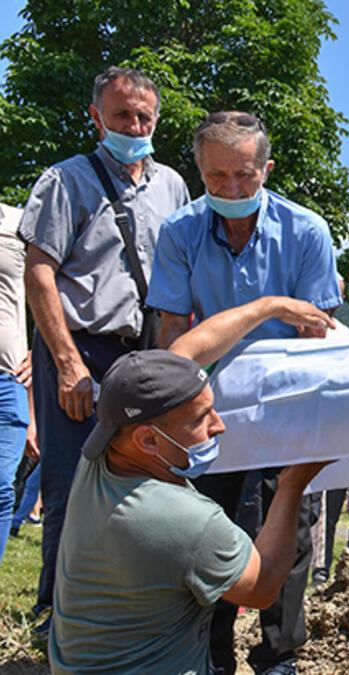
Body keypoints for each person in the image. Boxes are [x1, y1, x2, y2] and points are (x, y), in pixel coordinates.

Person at [147, 110, 342, 675]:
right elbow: (172, 332)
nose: (231, 190)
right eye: (216, 179)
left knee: (290, 528)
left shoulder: (306, 232)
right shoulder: (180, 232)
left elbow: (318, 332)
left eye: (245, 176)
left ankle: (279, 654)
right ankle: (209, 653)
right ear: (200, 172)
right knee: (206, 528)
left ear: (267, 169)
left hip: (288, 403)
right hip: (209, 406)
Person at [49, 295, 333, 674]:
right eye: (201, 418)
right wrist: (292, 485)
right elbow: (262, 586)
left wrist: (270, 306)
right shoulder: (179, 517)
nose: (219, 425)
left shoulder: (100, 456)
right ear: (149, 440)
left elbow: (187, 351)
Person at [18, 66, 189, 623]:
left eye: (144, 115)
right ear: (96, 117)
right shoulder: (65, 180)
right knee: (73, 480)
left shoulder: (172, 185)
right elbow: (40, 272)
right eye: (122, 115)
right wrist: (67, 363)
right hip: (82, 348)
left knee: (146, 478)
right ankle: (58, 615)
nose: (134, 125)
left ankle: (125, 609)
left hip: (144, 352)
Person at [1, 202, 35, 563]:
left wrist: (39, 350)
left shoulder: (19, 222)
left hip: (8, 377)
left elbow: (49, 283)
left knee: (1, 489)